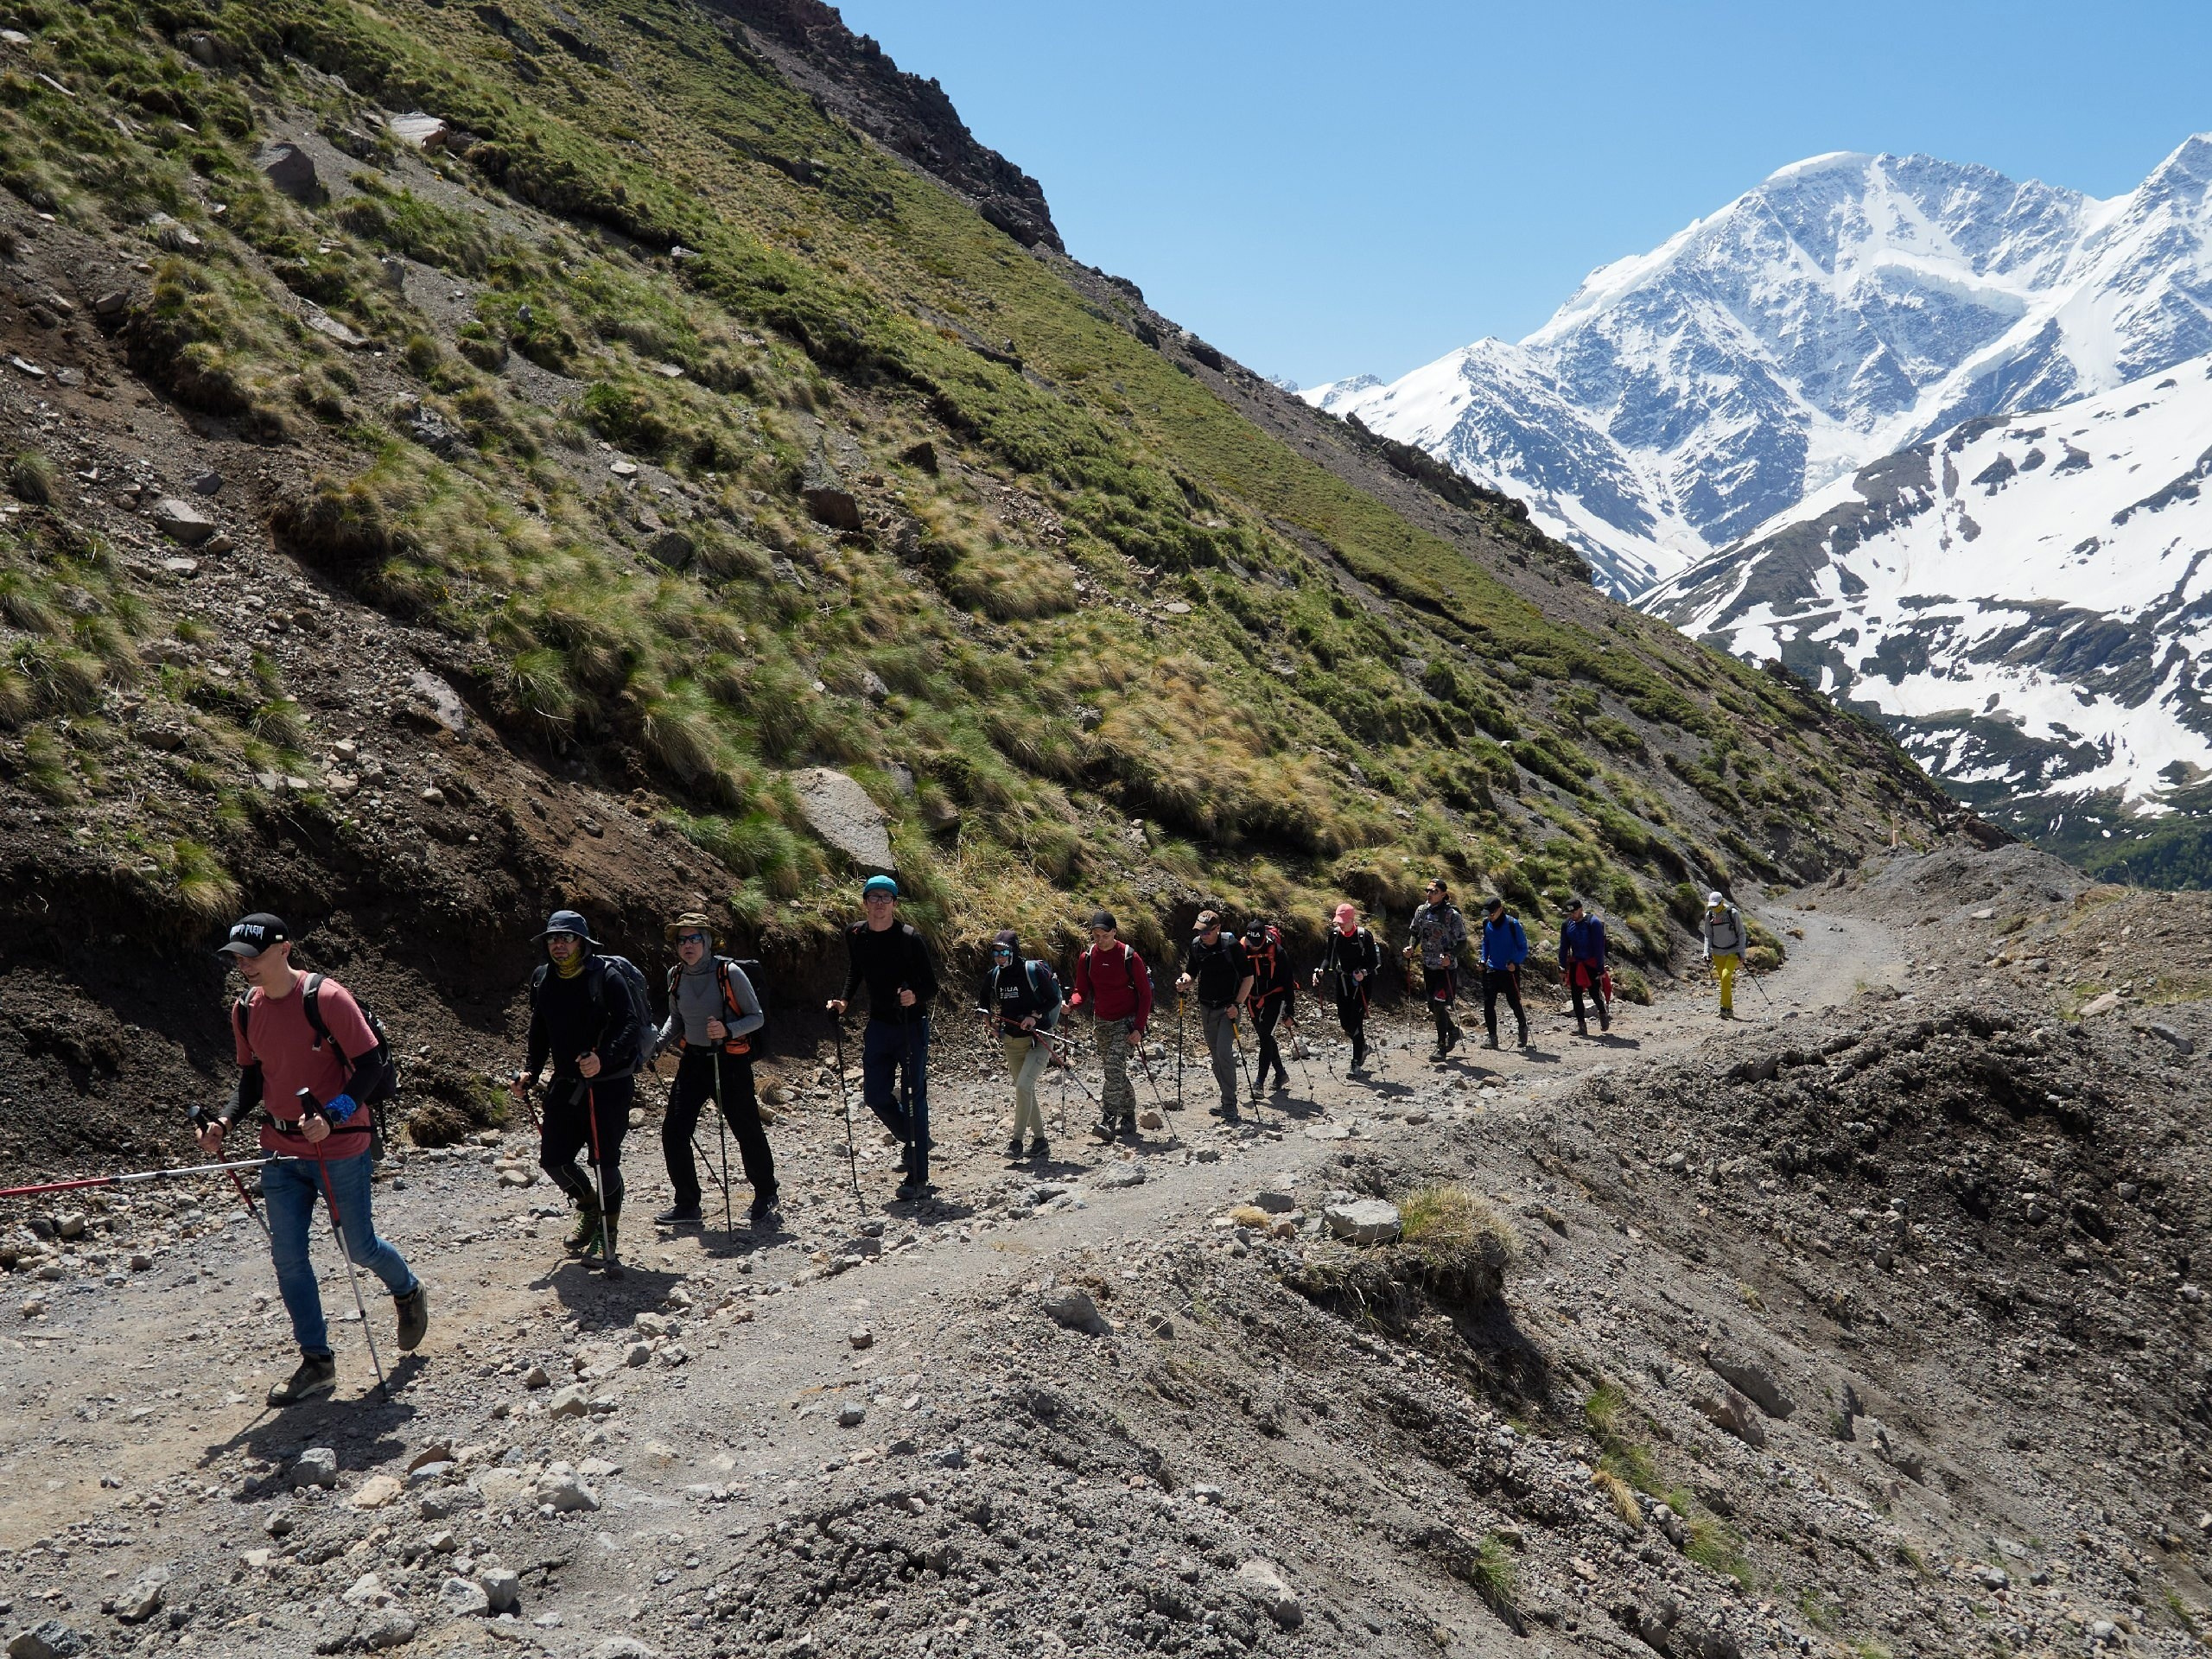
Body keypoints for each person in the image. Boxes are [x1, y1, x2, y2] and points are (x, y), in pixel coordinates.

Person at [194, 912, 426, 1407]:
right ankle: (317, 1362)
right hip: (279, 1150)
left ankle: (407, 1290)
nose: (244, 965)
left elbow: (371, 1065)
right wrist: (224, 1123)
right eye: (237, 958)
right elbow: (252, 1080)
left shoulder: (327, 998)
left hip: (338, 1146)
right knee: (288, 1258)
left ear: (284, 949)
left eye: (252, 956)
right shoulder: (245, 1009)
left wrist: (334, 1115)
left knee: (359, 1247)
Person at [510, 909, 639, 1266]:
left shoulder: (606, 977)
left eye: (566, 938)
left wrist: (603, 1059)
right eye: (553, 938)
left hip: (609, 1084)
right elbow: (540, 1029)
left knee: (604, 1162)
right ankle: (589, 1208)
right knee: (553, 1160)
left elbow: (630, 1025)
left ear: (582, 942)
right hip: (567, 1082)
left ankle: (606, 1235)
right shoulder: (542, 979)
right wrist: (532, 1071)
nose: (559, 944)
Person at [653, 912, 775, 1229]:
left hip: (729, 1062)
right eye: (682, 940)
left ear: (707, 942)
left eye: (695, 938)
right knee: (674, 1131)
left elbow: (757, 1017)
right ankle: (687, 1204)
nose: (688, 945)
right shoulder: (675, 976)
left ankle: (766, 1193)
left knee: (745, 1128)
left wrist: (727, 1030)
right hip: (693, 1061)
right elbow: (676, 1018)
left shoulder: (729, 973)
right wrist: (657, 1043)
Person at [827, 874, 940, 1199]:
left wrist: (914, 996)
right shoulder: (855, 934)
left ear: (894, 903)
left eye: (885, 898)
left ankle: (917, 1176)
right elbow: (856, 969)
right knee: (875, 1095)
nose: (879, 903)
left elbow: (931, 986)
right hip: (878, 1026)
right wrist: (844, 1000)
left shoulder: (909, 938)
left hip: (910, 1026)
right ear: (865, 902)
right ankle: (916, 1139)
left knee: (913, 1096)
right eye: (873, 897)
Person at [1070, 909, 1154, 1140]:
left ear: (1114, 932)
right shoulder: (1087, 957)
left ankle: (1108, 1119)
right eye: (1096, 935)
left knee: (1114, 1066)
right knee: (1114, 1071)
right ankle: (1129, 1116)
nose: (1100, 940)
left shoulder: (1129, 956)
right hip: (1102, 1021)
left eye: (1105, 935)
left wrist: (1139, 1027)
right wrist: (1071, 1004)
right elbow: (1081, 991)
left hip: (1126, 1022)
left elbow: (1145, 994)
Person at [980, 929, 1061, 1159]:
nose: (999, 957)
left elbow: (1053, 999)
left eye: (1004, 952)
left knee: (1023, 1087)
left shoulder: (1031, 971)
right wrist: (987, 1019)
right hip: (1011, 1041)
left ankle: (1016, 1142)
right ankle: (1040, 1141)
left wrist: (1034, 1016)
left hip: (1040, 1039)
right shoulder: (994, 975)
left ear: (1014, 952)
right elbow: (983, 1001)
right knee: (1026, 1090)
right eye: (995, 952)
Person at [1176, 909, 1253, 1121]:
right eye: (1200, 931)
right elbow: (1191, 972)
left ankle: (1230, 1105)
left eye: (1207, 932)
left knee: (1223, 1053)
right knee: (1215, 1055)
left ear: (1218, 928)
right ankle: (1226, 1100)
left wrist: (1237, 1004)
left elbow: (1248, 978)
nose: (1203, 935)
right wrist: (1184, 981)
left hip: (1229, 1009)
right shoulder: (1196, 945)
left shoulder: (1231, 945)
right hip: (1206, 1008)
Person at [1404, 878, 1468, 1057]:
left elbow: (1462, 942)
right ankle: (1453, 1031)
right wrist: (1411, 947)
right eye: (1428, 890)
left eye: (1434, 891)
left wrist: (1450, 956)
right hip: (1428, 965)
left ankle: (1441, 1046)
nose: (1429, 894)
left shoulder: (1452, 915)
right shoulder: (1421, 910)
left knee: (1439, 1004)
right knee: (1432, 1006)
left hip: (1446, 969)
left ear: (1443, 894)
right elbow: (1415, 932)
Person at [1314, 903, 1382, 1071]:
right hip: (1343, 981)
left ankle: (1356, 1063)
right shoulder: (1335, 934)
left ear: (1352, 919)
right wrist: (1321, 970)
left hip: (1362, 984)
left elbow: (1374, 962)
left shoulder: (1364, 936)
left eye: (1343, 921)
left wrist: (1363, 972)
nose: (1340, 924)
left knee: (1356, 1021)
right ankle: (1363, 1047)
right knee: (1345, 1023)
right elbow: (1328, 958)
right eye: (1339, 921)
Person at [1243, 918, 1297, 1096]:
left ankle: (1259, 1083)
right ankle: (1280, 1073)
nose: (1253, 946)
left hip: (1274, 997)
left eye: (1257, 942)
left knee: (1265, 1036)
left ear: (1264, 938)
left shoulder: (1277, 951)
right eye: (1251, 942)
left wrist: (1290, 1011)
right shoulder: (1242, 949)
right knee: (1265, 1036)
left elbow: (1288, 982)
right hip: (1251, 999)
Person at [1478, 895, 1530, 1050]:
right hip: (1492, 968)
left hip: (1509, 970)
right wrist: (1483, 959)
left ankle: (1523, 1027)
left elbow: (1523, 947)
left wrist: (1515, 962)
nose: (1490, 916)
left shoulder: (1513, 924)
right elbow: (1486, 942)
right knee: (1488, 1003)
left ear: (1500, 909)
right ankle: (1492, 1037)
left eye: (1492, 913)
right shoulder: (1486, 923)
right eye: (1487, 913)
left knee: (1513, 1002)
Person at [1558, 899, 1611, 1036]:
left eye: (1574, 913)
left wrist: (1600, 968)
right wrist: (1562, 966)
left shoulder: (1593, 923)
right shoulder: (1567, 925)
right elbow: (1564, 946)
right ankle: (1581, 1025)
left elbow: (1599, 948)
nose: (1572, 916)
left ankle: (1602, 1012)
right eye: (1569, 914)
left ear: (1581, 909)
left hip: (1591, 964)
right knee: (1575, 995)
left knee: (1594, 993)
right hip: (1576, 963)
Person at [1701, 891, 1748, 1020]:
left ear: (1722, 902)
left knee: (1726, 976)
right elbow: (1708, 935)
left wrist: (1741, 952)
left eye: (1716, 905)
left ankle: (1723, 1008)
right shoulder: (1710, 915)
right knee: (1724, 981)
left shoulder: (1732, 913)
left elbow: (1741, 934)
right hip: (1717, 953)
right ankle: (1729, 1009)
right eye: (1712, 906)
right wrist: (1706, 952)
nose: (1714, 908)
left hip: (1732, 951)